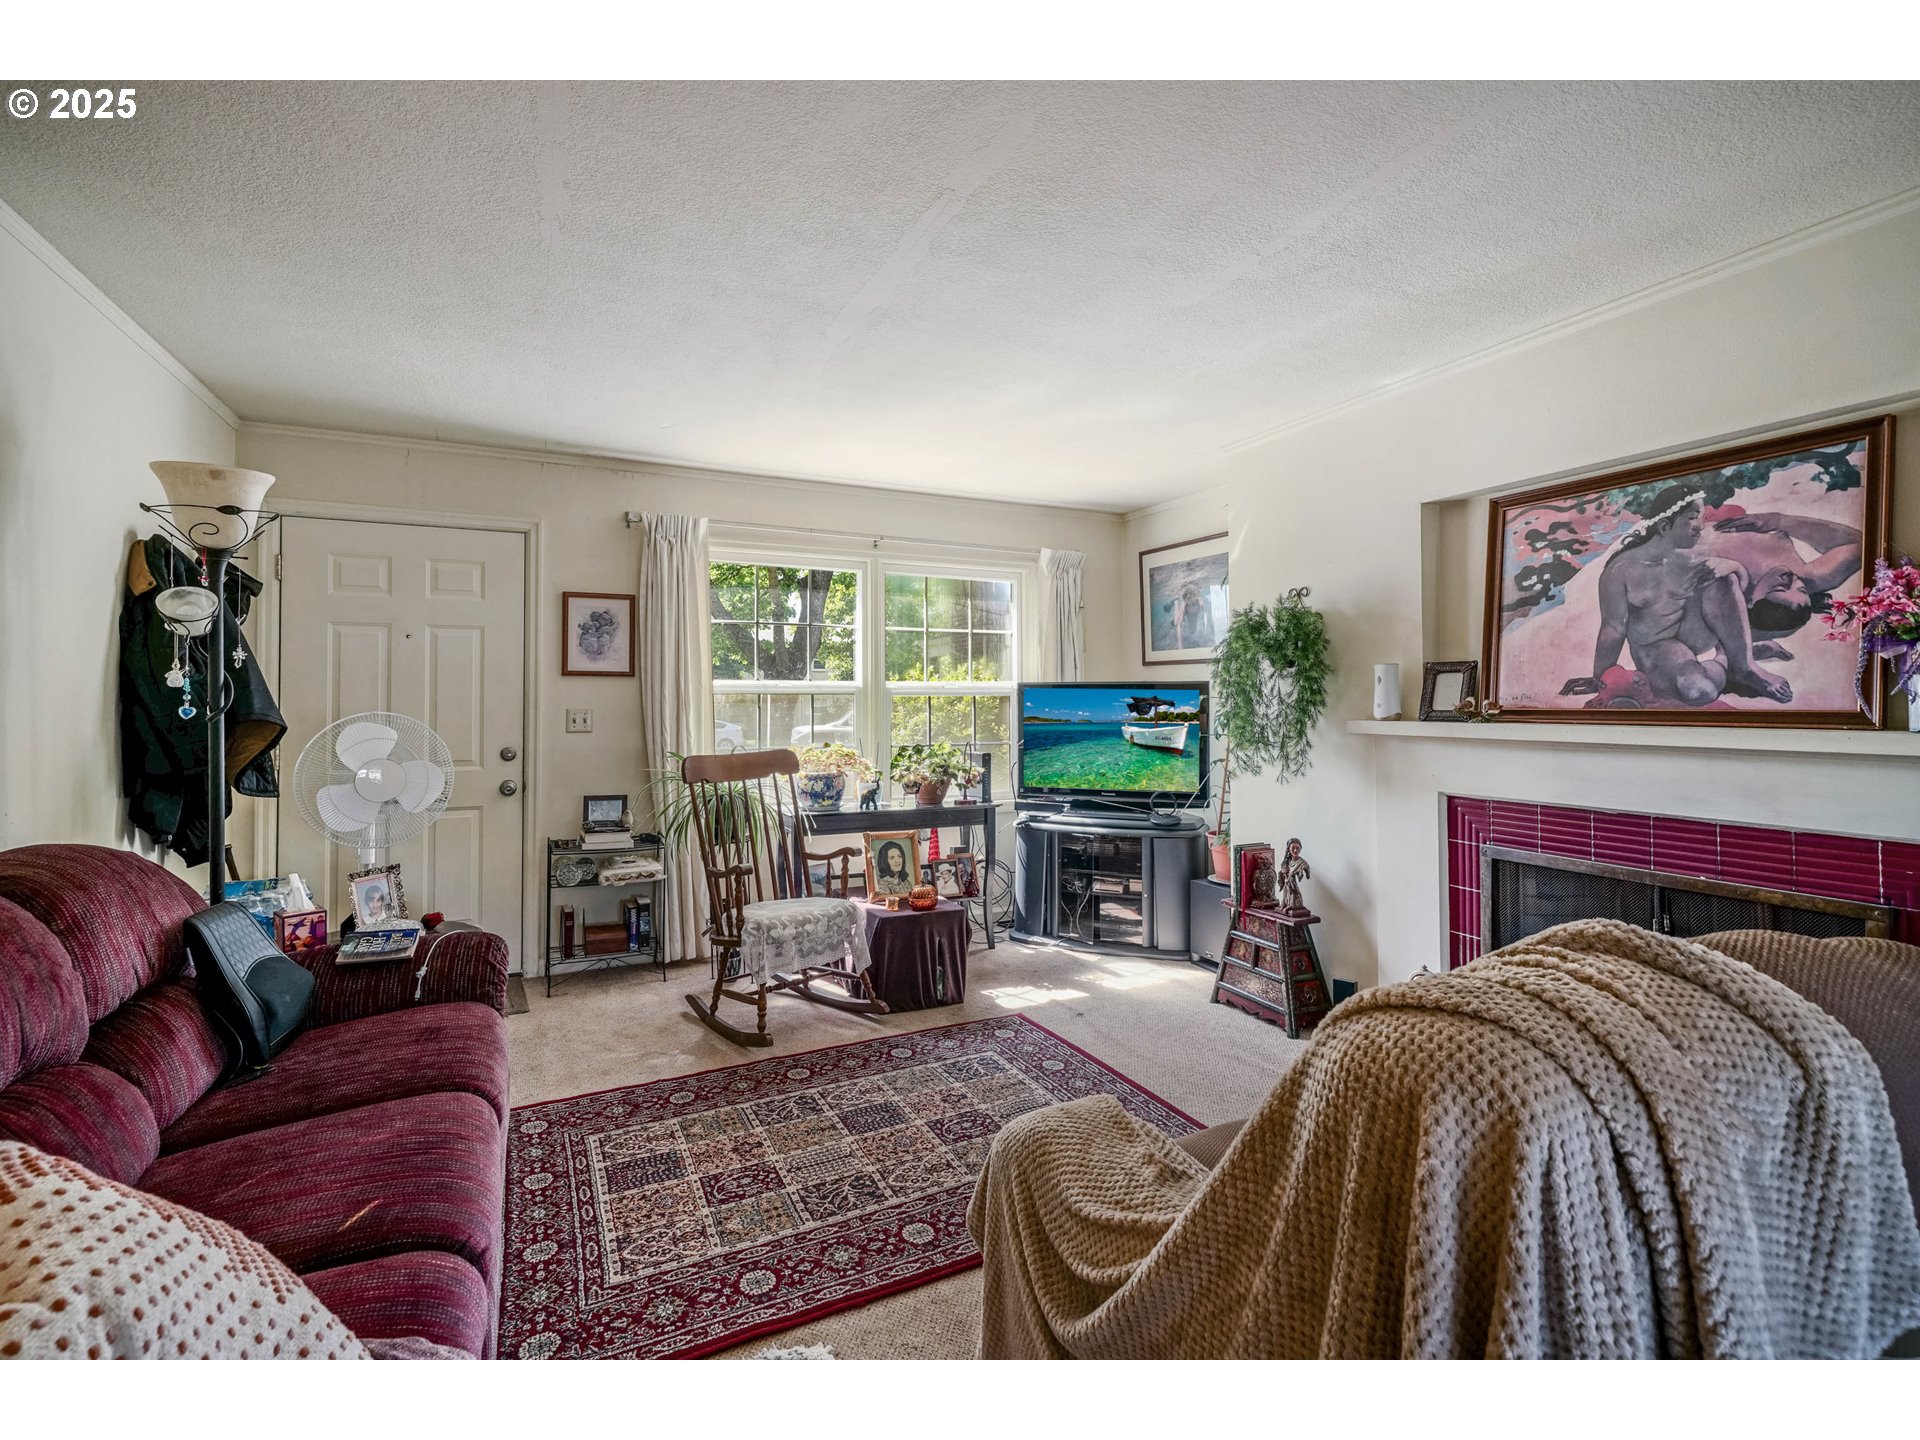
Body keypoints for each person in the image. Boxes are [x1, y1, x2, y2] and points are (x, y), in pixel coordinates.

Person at [1559, 486, 1792, 708]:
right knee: (1700, 692)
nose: (1699, 526)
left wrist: (1733, 568)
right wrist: (1600, 677)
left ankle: (1744, 665)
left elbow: (1738, 586)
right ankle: (1725, 658)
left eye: (1701, 517)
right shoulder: (1620, 571)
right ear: (1663, 526)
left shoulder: (1689, 559)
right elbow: (1613, 629)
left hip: (1691, 634)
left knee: (1723, 578)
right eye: (1692, 517)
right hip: (1657, 648)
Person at [1276, 838, 1311, 916]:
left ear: (1300, 848)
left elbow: (1306, 874)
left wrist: (1301, 872)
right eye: (1293, 848)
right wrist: (1283, 872)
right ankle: (1285, 904)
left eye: (1297, 848)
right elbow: (1282, 871)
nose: (1295, 850)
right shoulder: (1287, 861)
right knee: (1286, 895)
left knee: (1293, 895)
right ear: (1288, 849)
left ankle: (1292, 906)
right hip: (1286, 884)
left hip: (1292, 885)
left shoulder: (1302, 863)